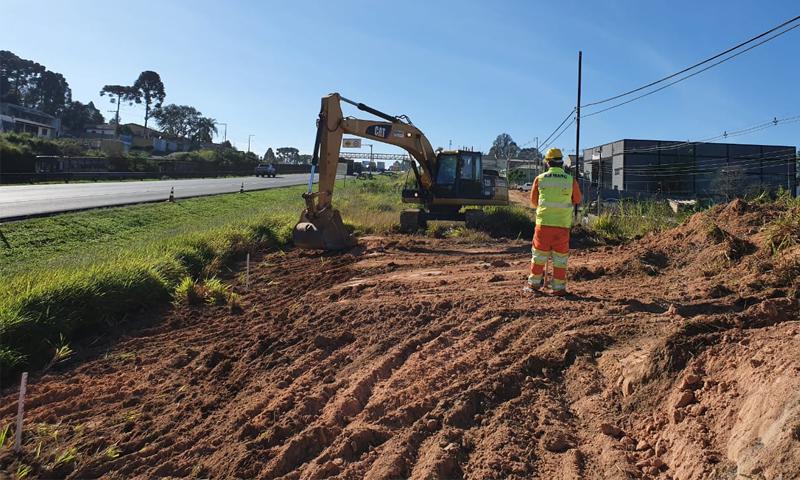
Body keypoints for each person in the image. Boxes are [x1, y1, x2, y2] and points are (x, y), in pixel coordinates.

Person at [527, 148, 582, 296]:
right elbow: (577, 199)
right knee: (560, 258)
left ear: (547, 162)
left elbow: (533, 202)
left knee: (539, 255)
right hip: (562, 226)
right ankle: (558, 288)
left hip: (543, 224)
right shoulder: (570, 180)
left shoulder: (540, 179)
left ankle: (533, 285)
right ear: (561, 162)